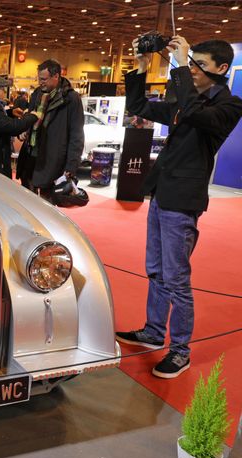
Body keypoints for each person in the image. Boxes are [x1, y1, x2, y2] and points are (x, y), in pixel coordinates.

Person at [115, 35, 242, 378]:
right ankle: (153, 332)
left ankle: (180, 351)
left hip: (182, 203)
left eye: (201, 65)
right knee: (155, 270)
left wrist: (183, 66)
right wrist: (142, 67)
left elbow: (199, 116)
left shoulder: (228, 106)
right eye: (193, 63)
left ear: (222, 69)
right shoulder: (186, 100)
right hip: (161, 195)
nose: (195, 70)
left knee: (176, 280)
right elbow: (139, 106)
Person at [16, 59, 84, 199]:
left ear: (56, 76)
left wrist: (71, 166)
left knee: (48, 206)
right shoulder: (37, 94)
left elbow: (76, 134)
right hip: (30, 155)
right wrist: (24, 130)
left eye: (44, 79)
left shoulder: (71, 98)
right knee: (27, 201)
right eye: (39, 79)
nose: (40, 82)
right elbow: (30, 116)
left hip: (53, 159)